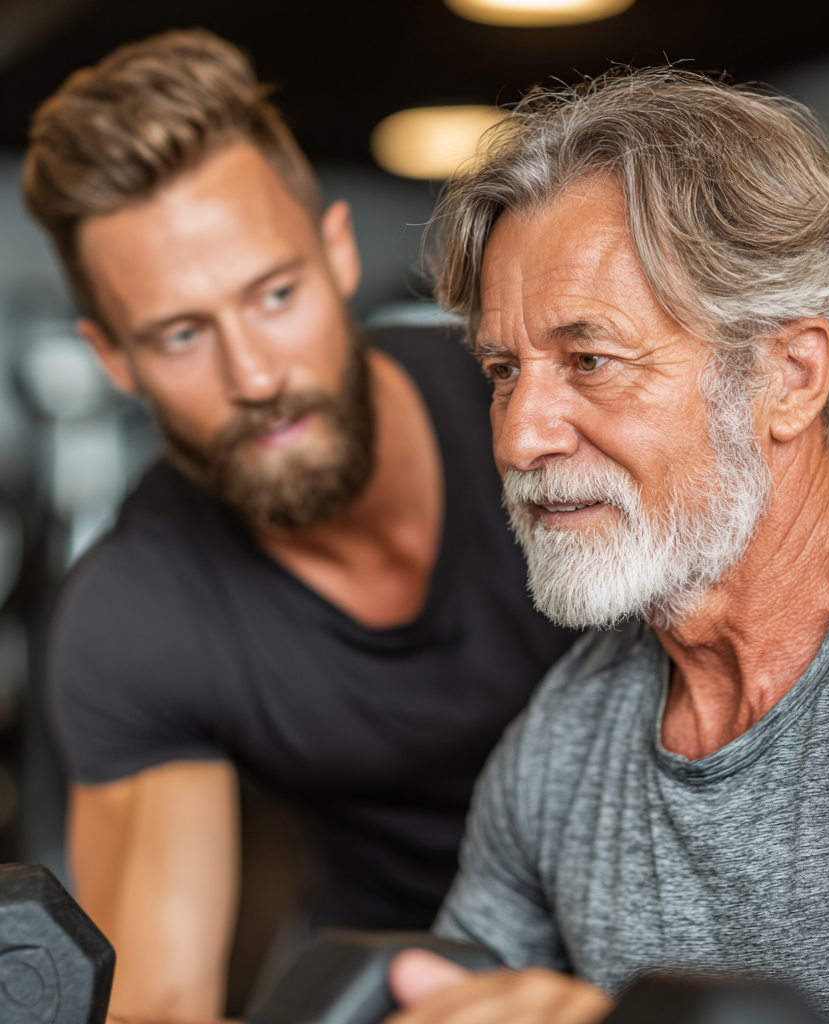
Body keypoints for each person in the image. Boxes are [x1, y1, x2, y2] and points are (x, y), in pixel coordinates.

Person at [384, 69, 829, 1024]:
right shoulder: (568, 730)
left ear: (791, 374)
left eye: (589, 361)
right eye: (504, 370)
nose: (520, 437)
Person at [27, 29, 576, 1023]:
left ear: (336, 251)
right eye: (182, 333)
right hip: (402, 989)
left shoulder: (544, 425)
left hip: (677, 942)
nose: (255, 377)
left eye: (273, 295)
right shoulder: (139, 611)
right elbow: (156, 1005)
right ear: (115, 358)